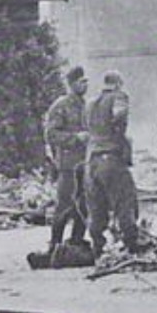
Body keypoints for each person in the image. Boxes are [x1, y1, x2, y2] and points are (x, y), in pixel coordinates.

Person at [85, 70, 140, 257]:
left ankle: (97, 247)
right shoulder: (119, 96)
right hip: (111, 158)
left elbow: (87, 127)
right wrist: (120, 135)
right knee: (125, 201)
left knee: (97, 207)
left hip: (92, 160)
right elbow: (119, 115)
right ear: (117, 84)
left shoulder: (90, 103)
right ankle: (132, 245)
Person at [43, 67, 90, 252]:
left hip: (85, 163)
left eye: (86, 81)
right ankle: (55, 244)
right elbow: (51, 134)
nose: (84, 85)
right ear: (71, 84)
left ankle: (76, 241)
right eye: (81, 81)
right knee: (64, 205)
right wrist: (75, 138)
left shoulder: (86, 105)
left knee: (85, 205)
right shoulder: (60, 106)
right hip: (68, 165)